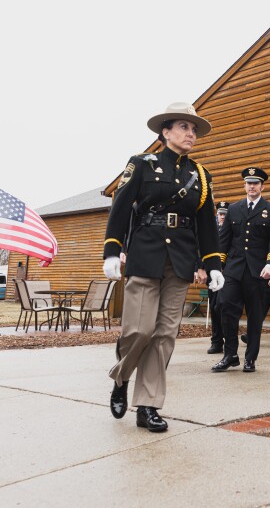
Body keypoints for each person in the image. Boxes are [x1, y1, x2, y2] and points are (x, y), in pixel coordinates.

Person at [103, 102, 224, 433]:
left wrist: (212, 263)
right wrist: (113, 249)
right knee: (140, 331)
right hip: (145, 252)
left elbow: (206, 224)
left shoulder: (200, 175)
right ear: (165, 132)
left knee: (165, 336)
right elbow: (122, 207)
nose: (190, 134)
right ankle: (121, 377)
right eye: (184, 127)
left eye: (194, 129)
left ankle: (148, 405)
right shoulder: (142, 164)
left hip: (181, 259)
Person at [211, 167, 270, 373]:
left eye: (255, 183)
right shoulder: (234, 209)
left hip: (258, 272)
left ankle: (250, 358)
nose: (251, 186)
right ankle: (230, 355)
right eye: (248, 183)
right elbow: (223, 241)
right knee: (225, 307)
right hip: (233, 270)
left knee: (255, 315)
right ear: (244, 185)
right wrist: (217, 268)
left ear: (262, 186)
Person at [207, 201, 230, 354]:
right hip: (212, 273)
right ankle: (216, 341)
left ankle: (228, 338)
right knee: (214, 308)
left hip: (227, 273)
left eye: (225, 214)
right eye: (220, 214)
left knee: (222, 306)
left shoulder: (233, 229)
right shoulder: (210, 230)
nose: (222, 217)